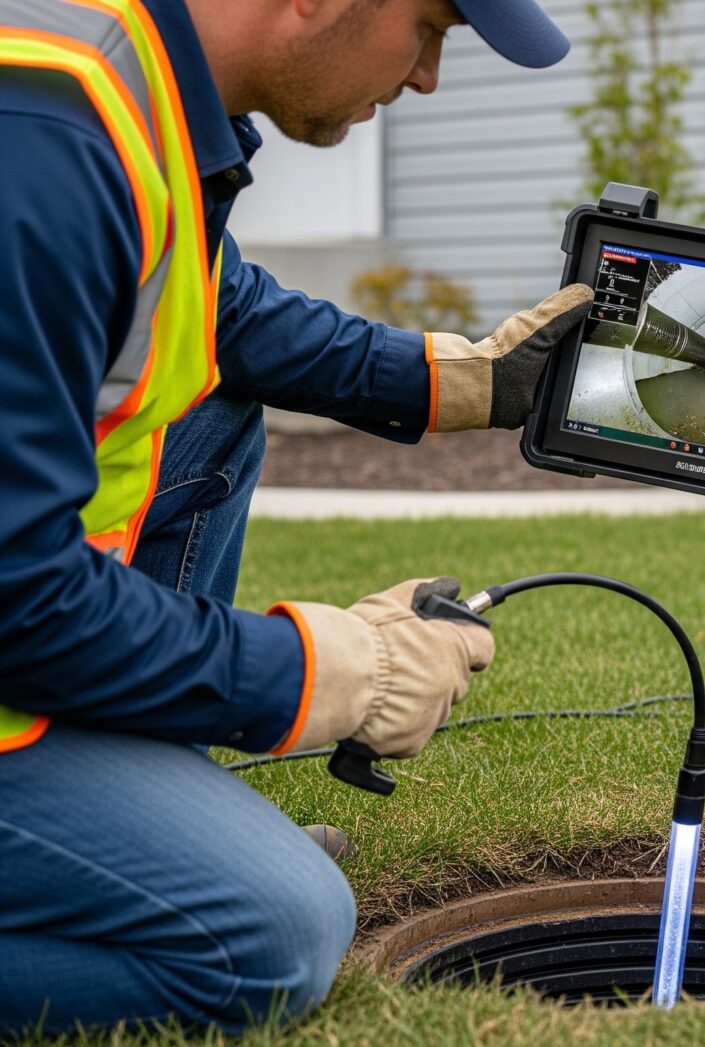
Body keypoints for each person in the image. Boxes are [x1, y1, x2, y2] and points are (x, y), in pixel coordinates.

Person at [0, 0, 593, 1033]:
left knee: (212, 397)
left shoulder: (128, 84)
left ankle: (141, 798)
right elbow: (17, 596)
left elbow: (221, 309)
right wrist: (341, 670)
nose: (427, 80)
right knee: (279, 931)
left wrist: (472, 381)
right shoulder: (47, 146)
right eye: (432, 28)